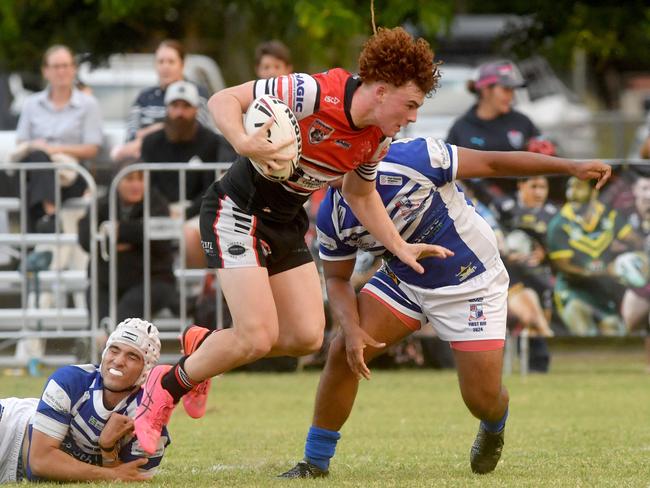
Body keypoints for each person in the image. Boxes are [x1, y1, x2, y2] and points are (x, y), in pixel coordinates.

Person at [134, 26, 453, 455]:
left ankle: (206, 349)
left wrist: (399, 246)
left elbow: (360, 194)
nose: (413, 116)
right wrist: (244, 140)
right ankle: (165, 387)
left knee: (306, 337)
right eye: (410, 104)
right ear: (381, 90)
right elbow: (222, 99)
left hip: (285, 221)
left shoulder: (378, 137)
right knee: (256, 337)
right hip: (238, 210)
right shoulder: (312, 92)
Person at [272, 137, 611, 477]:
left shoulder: (414, 156)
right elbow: (336, 279)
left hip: (471, 281)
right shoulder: (332, 213)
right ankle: (314, 462)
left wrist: (570, 166)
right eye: (315, 166)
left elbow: (493, 163)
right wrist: (352, 328)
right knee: (344, 352)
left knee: (481, 400)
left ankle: (494, 425)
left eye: (327, 162)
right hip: (407, 280)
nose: (318, 173)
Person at [0, 318, 169, 483]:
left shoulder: (148, 420)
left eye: (132, 356)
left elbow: (130, 477)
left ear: (146, 370)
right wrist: (110, 474)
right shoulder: (69, 380)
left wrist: (108, 449)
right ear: (104, 353)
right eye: (114, 350)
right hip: (10, 429)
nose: (118, 361)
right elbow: (39, 461)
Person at [140, 80, 236, 268]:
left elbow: (212, 187)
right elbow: (147, 184)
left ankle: (194, 293)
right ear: (167, 109)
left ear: (196, 110)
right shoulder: (150, 142)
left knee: (190, 236)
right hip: (158, 209)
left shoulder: (212, 142)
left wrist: (186, 211)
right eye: (175, 106)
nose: (179, 113)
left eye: (186, 106)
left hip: (198, 211)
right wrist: (165, 210)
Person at [14, 44, 103, 232]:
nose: (61, 71)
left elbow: (92, 148)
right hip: (36, 170)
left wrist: (55, 150)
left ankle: (43, 228)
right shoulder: (32, 103)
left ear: (74, 69)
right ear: (45, 71)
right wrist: (39, 148)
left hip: (71, 173)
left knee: (36, 176)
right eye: (56, 66)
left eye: (66, 65)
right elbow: (21, 142)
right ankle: (50, 215)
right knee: (38, 158)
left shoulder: (88, 104)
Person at [78, 163, 178, 324]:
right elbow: (85, 240)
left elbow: (161, 242)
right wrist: (137, 238)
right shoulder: (102, 204)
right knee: (100, 318)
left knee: (123, 319)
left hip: (152, 281)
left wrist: (118, 231)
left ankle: (115, 344)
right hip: (106, 280)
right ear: (116, 181)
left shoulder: (157, 203)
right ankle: (100, 345)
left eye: (140, 179)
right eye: (129, 179)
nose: (136, 185)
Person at [446, 60, 550, 202]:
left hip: (521, 206)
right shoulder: (461, 127)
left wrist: (545, 153)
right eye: (506, 89)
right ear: (486, 90)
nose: (511, 96)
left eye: (513, 90)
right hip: (476, 209)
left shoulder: (522, 122)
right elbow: (448, 171)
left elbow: (544, 164)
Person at [547, 177, 633, 335]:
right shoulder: (559, 224)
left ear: (594, 192)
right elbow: (563, 266)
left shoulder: (609, 215)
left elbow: (635, 240)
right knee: (585, 332)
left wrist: (630, 261)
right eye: (569, 187)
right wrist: (601, 272)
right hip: (573, 290)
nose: (571, 193)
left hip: (602, 291)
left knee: (615, 335)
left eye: (578, 187)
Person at [491, 175, 556, 370]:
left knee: (537, 333)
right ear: (520, 185)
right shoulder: (503, 208)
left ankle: (538, 367)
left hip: (539, 279)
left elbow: (562, 250)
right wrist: (505, 254)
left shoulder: (553, 214)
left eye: (543, 187)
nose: (538, 192)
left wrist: (545, 254)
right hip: (506, 279)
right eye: (533, 186)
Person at [111, 40, 213, 162]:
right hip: (149, 162)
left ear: (182, 64)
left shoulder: (197, 92)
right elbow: (131, 135)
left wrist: (152, 131)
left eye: (171, 62)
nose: (165, 66)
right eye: (161, 62)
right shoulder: (144, 97)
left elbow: (198, 130)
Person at [619, 171, 650, 370]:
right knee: (629, 322)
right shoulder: (624, 218)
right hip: (639, 285)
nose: (648, 195)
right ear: (635, 191)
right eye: (644, 189)